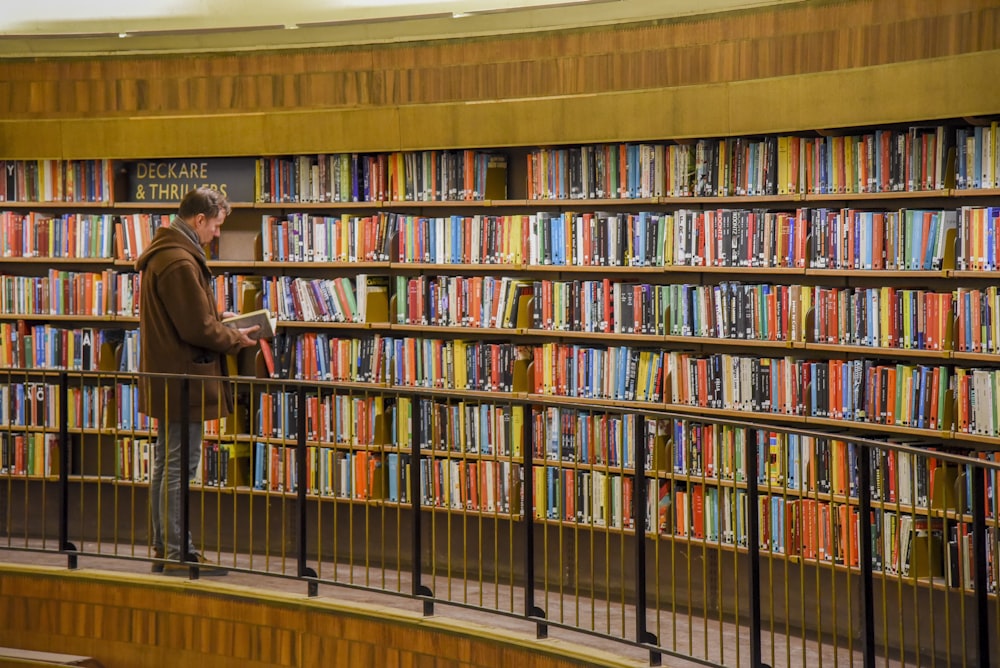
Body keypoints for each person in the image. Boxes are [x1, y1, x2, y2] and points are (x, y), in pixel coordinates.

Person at [136, 187, 258, 575]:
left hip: (171, 375)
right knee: (178, 467)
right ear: (199, 219)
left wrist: (222, 326)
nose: (217, 234)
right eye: (217, 225)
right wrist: (234, 337)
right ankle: (177, 553)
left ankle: (164, 546)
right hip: (183, 378)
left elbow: (193, 319)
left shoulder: (169, 254)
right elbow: (197, 327)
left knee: (166, 464)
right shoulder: (179, 263)